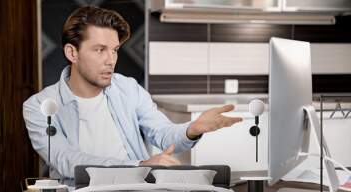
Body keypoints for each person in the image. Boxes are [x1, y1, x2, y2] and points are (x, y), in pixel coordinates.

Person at [23, 5, 242, 180]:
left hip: (137, 191)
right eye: (100, 50)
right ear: (72, 52)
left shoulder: (128, 88)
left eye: (115, 50)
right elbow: (66, 161)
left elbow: (163, 134)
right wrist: (139, 166)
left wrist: (191, 130)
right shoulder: (39, 106)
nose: (111, 60)